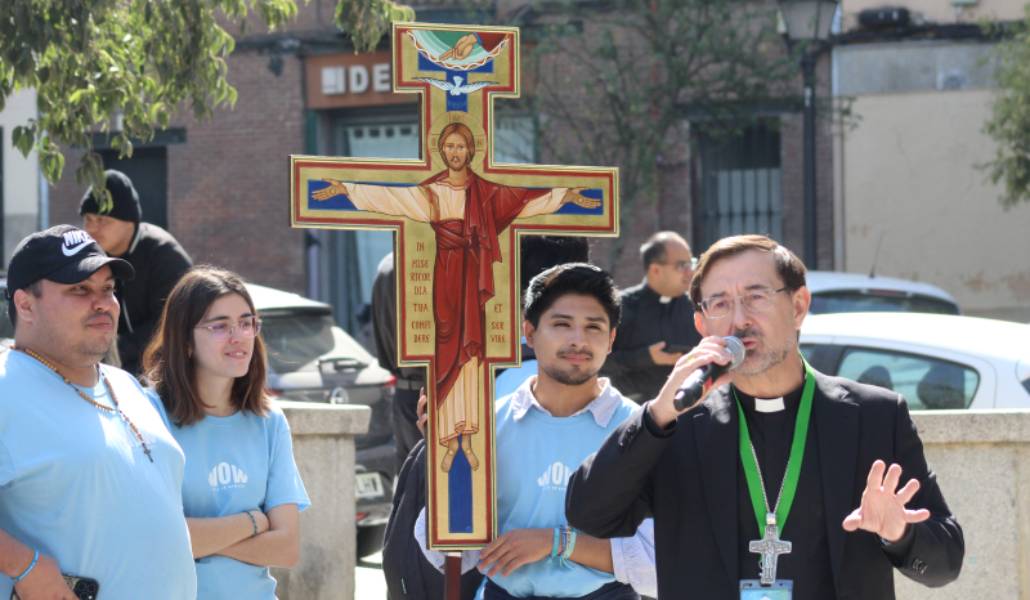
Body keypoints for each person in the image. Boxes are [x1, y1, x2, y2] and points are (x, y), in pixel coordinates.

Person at [567, 235, 964, 600]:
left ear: (798, 306)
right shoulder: (675, 427)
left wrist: (899, 533)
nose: (739, 319)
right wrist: (656, 412)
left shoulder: (874, 417)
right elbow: (590, 515)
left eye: (755, 297)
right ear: (703, 325)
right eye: (720, 303)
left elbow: (945, 562)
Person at [313, 122, 600, 472]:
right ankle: (451, 450)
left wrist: (563, 196)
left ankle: (463, 444)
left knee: (472, 358)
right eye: (448, 148)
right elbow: (389, 197)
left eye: (461, 148)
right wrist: (347, 189)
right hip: (447, 284)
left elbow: (524, 201)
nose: (455, 154)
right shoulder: (429, 195)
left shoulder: (488, 195)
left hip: (476, 290)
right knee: (451, 357)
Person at [415, 263, 656, 600]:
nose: (578, 340)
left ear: (612, 338)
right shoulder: (487, 427)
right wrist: (446, 466)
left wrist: (556, 543)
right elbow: (447, 554)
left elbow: (656, 563)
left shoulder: (639, 432)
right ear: (529, 332)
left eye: (594, 327)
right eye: (561, 324)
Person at [0, 225, 196, 599]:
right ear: (26, 305)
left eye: (108, 289)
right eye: (80, 290)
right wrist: (22, 564)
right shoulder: (5, 385)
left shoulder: (126, 385)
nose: (103, 303)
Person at [142, 266, 310, 599]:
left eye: (246, 323)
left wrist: (202, 542)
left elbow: (286, 548)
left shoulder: (269, 421)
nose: (239, 336)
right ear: (185, 340)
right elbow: (155, 540)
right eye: (220, 326)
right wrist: (252, 521)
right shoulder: (148, 413)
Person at [81, 168, 193, 374]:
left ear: (130, 221)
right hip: (111, 367)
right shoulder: (90, 257)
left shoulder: (164, 255)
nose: (92, 229)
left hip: (163, 374)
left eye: (103, 220)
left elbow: (173, 325)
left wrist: (112, 350)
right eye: (88, 219)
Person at [601, 231, 700, 403]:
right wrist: (645, 357)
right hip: (631, 413)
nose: (690, 272)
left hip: (686, 412)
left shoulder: (696, 308)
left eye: (690, 263)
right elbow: (597, 362)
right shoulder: (621, 306)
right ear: (655, 270)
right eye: (681, 266)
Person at [371, 251, 428, 471]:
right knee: (433, 488)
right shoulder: (429, 261)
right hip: (432, 394)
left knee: (410, 486)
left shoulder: (387, 264)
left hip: (403, 393)